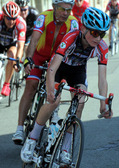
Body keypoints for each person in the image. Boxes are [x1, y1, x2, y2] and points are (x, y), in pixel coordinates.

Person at [21, 7, 113, 165]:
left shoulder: (102, 47)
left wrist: (103, 104)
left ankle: (64, 148)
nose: (98, 38)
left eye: (102, 34)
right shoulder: (71, 37)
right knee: (54, 101)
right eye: (95, 33)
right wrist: (51, 90)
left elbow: (102, 79)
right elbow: (51, 68)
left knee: (81, 101)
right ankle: (32, 138)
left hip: (77, 71)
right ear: (83, 28)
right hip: (58, 68)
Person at [12, 0, 79, 145]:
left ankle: (53, 116)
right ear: (54, 7)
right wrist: (28, 59)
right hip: (39, 55)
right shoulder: (44, 17)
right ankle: (19, 128)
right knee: (31, 86)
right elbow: (34, 40)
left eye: (69, 10)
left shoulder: (73, 23)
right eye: (62, 9)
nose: (65, 13)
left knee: (56, 87)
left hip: (57, 59)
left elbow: (73, 49)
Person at [0, 1, 26, 96]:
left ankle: (6, 84)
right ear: (4, 16)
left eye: (13, 18)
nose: (11, 21)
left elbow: (20, 46)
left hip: (11, 43)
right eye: (8, 18)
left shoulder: (21, 23)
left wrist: (17, 60)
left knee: (12, 55)